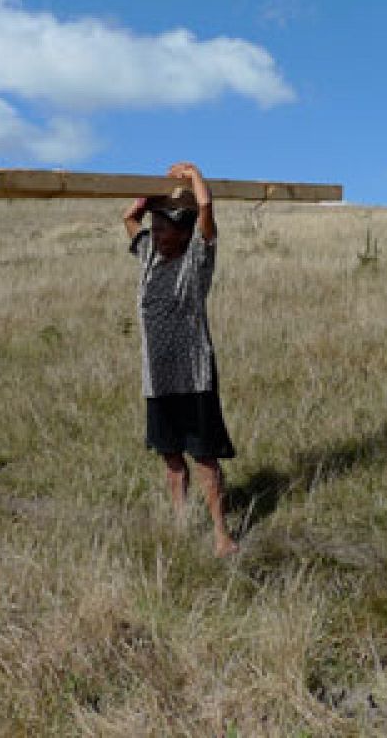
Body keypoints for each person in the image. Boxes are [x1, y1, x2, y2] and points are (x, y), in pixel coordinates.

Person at [122, 161, 239, 557]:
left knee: (204, 459)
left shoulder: (196, 262)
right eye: (153, 230)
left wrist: (194, 177)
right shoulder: (149, 260)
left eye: (163, 230)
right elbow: (129, 217)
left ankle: (222, 535)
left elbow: (207, 214)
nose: (154, 236)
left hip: (193, 377)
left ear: (184, 234)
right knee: (171, 458)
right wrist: (154, 193)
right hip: (156, 378)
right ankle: (180, 523)